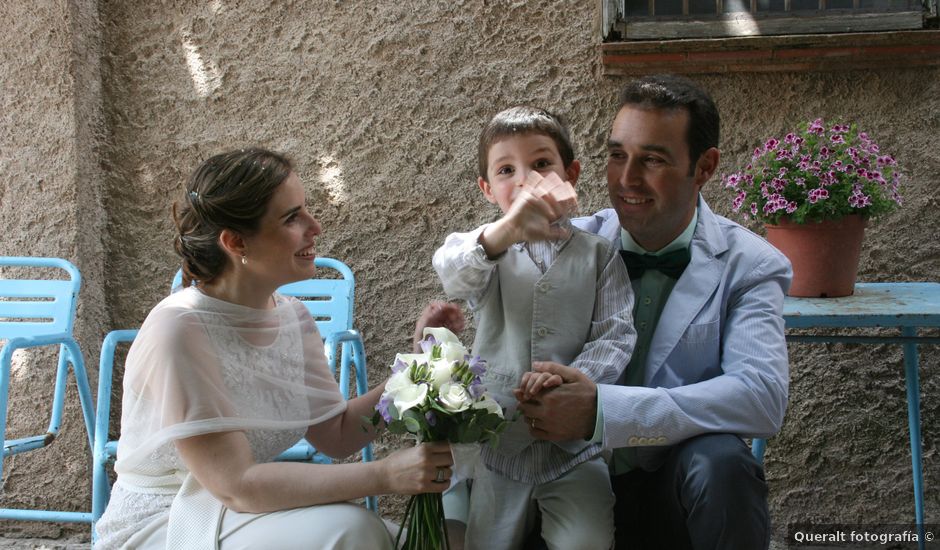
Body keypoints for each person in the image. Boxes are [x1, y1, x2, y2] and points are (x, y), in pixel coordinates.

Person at [94, 148, 454, 550]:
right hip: (165, 520)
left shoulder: (293, 316)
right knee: (351, 532)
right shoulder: (181, 328)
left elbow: (335, 435)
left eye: (306, 210)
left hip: (245, 509)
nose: (314, 226)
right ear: (234, 241)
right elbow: (237, 485)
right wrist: (384, 475)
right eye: (291, 218)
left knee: (444, 542)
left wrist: (418, 371)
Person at [512, 75, 793, 549]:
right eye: (617, 155)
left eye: (653, 160)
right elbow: (491, 310)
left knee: (722, 461)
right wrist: (437, 337)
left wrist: (606, 411)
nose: (626, 179)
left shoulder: (751, 264)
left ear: (704, 167)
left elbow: (760, 395)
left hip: (672, 495)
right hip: (564, 484)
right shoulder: (562, 245)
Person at [432, 106, 636, 550]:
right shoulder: (485, 251)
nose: (525, 180)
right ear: (488, 189)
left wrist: (572, 382)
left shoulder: (600, 254)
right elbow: (452, 272)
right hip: (499, 443)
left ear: (571, 174)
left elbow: (615, 334)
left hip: (573, 449)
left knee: (587, 541)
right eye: (507, 170)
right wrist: (501, 234)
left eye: (542, 164)